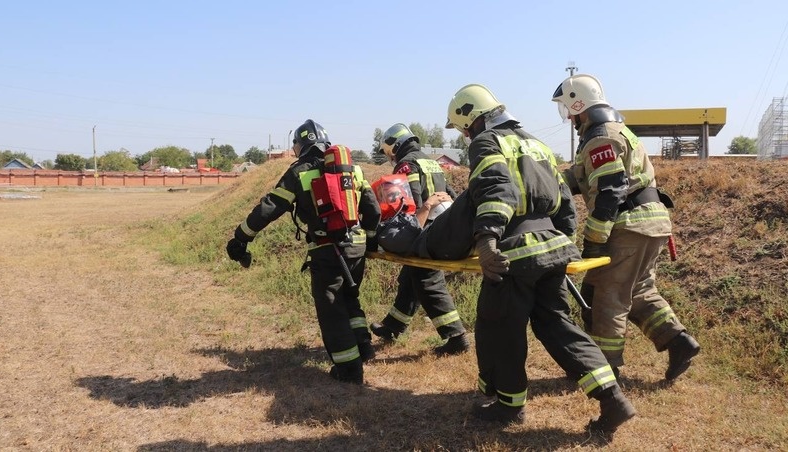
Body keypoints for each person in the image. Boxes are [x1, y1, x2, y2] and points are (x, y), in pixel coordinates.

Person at [445, 83, 636, 435]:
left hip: (512, 252)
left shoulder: (487, 143)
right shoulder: (538, 144)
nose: (466, 135)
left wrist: (486, 239)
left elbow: (494, 188)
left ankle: (509, 405)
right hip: (551, 248)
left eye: (464, 128)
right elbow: (564, 201)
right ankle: (612, 396)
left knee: (502, 326)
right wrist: (564, 245)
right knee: (557, 324)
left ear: (473, 119)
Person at [551, 73, 700, 381]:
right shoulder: (617, 131)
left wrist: (594, 239)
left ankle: (605, 370)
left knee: (607, 295)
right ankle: (678, 341)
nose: (569, 119)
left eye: (569, 110)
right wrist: (546, 179)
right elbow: (583, 179)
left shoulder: (600, 137)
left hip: (628, 225)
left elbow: (609, 191)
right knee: (640, 290)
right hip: (652, 221)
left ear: (580, 104)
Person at [225, 119, 382, 385]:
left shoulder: (299, 171)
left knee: (331, 308)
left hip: (327, 248)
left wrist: (241, 237)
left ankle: (349, 369)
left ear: (301, 144)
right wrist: (371, 240)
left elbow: (270, 207)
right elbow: (373, 208)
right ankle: (364, 348)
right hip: (356, 247)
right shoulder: (351, 168)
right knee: (349, 297)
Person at [369, 123, 470, 356]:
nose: (391, 157)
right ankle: (393, 326)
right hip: (443, 224)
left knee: (427, 279)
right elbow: (451, 194)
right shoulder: (431, 161)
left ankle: (456, 336)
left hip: (424, 226)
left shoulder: (407, 164)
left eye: (389, 152)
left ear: (395, 146)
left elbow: (409, 200)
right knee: (411, 275)